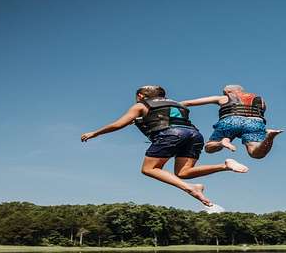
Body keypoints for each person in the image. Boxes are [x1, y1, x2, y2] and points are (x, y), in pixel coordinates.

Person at [80, 85, 248, 206]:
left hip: (171, 134)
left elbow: (118, 124)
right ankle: (225, 166)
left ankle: (191, 189)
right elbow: (166, 117)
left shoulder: (141, 105)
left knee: (149, 169)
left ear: (140, 95)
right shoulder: (176, 104)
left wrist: (95, 133)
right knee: (183, 172)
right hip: (194, 135)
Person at [181, 85, 282, 158]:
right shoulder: (260, 100)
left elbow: (188, 103)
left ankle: (221, 142)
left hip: (231, 121)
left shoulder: (224, 97)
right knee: (256, 154)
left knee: (209, 147)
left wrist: (176, 104)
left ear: (229, 92)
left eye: (224, 92)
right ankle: (269, 137)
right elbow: (262, 112)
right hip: (255, 122)